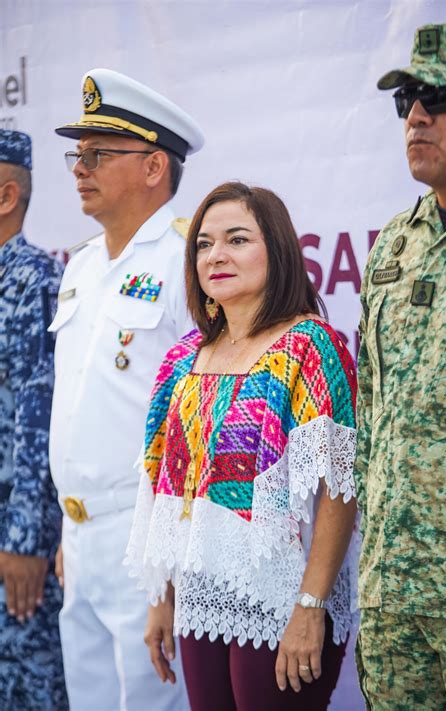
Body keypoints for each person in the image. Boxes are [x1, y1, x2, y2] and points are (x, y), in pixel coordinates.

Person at [125, 181, 359, 710]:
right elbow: (165, 486)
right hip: (201, 594)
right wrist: (162, 598)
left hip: (284, 597)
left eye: (236, 239)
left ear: (275, 251)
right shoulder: (183, 358)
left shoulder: (310, 346)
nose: (216, 255)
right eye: (204, 244)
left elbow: (341, 491)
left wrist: (310, 605)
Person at [49, 68, 204, 710]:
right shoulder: (83, 263)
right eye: (77, 155)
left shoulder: (186, 258)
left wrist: (166, 563)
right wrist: (69, 524)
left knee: (151, 700)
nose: (80, 168)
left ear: (153, 167)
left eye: (98, 154)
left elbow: (201, 419)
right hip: (81, 534)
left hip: (146, 537)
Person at [355, 23, 446, 710]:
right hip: (394, 595)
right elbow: (373, 408)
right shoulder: (393, 245)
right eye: (406, 102)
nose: (418, 116)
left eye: (441, 95)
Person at [0, 129, 67, 709]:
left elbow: (38, 414)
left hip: (11, 542)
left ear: (6, 196)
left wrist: (26, 537)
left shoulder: (33, 280)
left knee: (28, 689)